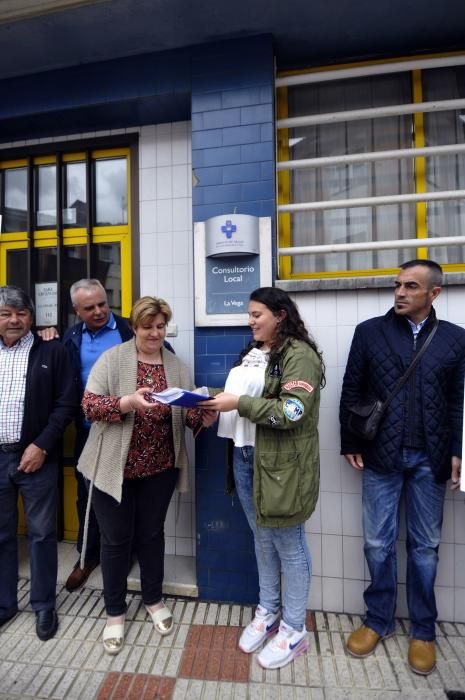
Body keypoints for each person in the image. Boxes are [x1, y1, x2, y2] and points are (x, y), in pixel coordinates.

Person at [339, 259, 465, 676]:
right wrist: (351, 441)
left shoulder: (454, 340)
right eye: (397, 285)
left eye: (411, 286)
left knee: (425, 548)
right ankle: (378, 621)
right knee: (377, 542)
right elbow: (351, 390)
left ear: (434, 294)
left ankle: (424, 631)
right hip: (381, 455)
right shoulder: (369, 333)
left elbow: (457, 402)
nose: (400, 292)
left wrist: (457, 451)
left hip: (431, 459)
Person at [76, 296, 215, 655]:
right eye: (147, 326)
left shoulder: (175, 364)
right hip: (113, 468)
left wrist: (203, 417)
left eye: (160, 326)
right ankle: (115, 612)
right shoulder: (113, 359)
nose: (155, 333)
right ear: (134, 327)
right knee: (116, 540)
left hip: (159, 469)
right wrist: (127, 403)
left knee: (152, 535)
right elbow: (89, 406)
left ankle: (153, 599)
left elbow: (187, 414)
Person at [200, 287, 324, 670]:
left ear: (281, 315)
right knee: (262, 538)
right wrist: (212, 402)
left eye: (257, 314)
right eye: (250, 315)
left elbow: (291, 411)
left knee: (289, 544)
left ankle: (294, 627)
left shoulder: (299, 356)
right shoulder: (255, 352)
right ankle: (268, 610)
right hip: (245, 454)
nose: (250, 321)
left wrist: (236, 404)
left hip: (282, 466)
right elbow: (246, 395)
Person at [0, 286, 76, 640]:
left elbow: (66, 404)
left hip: (36, 458)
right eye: (5, 314)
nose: (14, 320)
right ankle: (5, 604)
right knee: (2, 535)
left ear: (32, 316)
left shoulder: (53, 351)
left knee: (42, 534)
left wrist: (42, 445)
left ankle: (43, 605)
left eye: (21, 313)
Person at [62, 279, 135, 591]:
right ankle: (87, 556)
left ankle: (124, 553)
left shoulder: (128, 330)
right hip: (89, 431)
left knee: (126, 495)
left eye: (103, 304)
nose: (99, 311)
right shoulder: (71, 338)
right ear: (76, 311)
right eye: (89, 308)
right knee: (86, 496)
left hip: (129, 430)